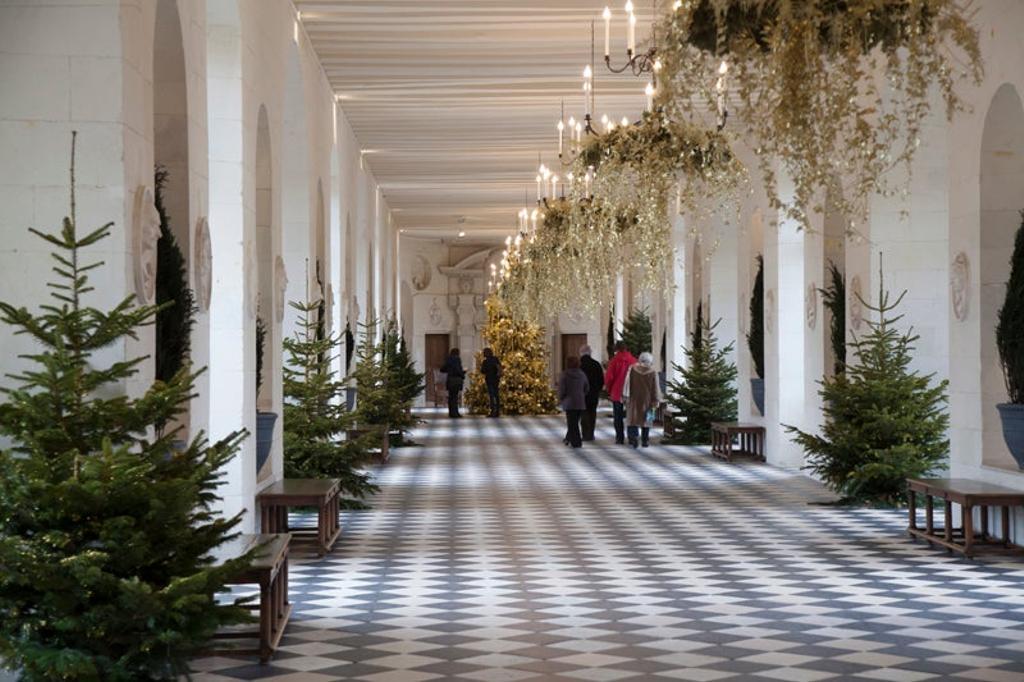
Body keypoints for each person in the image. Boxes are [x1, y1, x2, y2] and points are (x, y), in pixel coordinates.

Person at [622, 351, 662, 448]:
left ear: (640, 360)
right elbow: (656, 388)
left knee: (633, 419)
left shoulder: (632, 370)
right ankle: (645, 440)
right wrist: (656, 400)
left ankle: (634, 438)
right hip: (647, 400)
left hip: (633, 399)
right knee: (647, 421)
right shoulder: (653, 372)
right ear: (650, 361)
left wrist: (625, 397)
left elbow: (627, 384)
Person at [604, 340, 637, 445]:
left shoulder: (614, 361)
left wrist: (609, 390)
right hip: (631, 392)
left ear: (616, 349)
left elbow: (609, 377)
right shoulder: (633, 361)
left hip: (617, 392)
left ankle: (619, 438)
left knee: (617, 416)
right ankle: (632, 437)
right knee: (631, 415)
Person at [558, 356, 589, 449]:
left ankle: (576, 442)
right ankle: (569, 438)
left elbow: (562, 389)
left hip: (569, 401)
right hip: (580, 401)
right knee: (575, 422)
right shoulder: (582, 374)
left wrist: (561, 398)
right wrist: (582, 395)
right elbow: (587, 387)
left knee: (572, 423)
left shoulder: (565, 375)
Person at [579, 345, 604, 441]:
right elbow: (601, 380)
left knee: (583, 414)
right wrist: (598, 389)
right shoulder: (596, 364)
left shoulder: (579, 364)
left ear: (581, 353)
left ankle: (585, 434)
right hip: (593, 393)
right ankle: (591, 434)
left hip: (582, 394)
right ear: (590, 353)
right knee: (592, 414)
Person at [440, 348, 465, 418]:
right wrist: (463, 374)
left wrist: (449, 370)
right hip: (456, 379)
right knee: (455, 397)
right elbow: (458, 369)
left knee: (451, 397)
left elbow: (442, 369)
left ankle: (451, 412)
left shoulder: (448, 359)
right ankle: (455, 413)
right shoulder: (457, 359)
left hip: (450, 379)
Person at [480, 347, 502, 418]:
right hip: (496, 379)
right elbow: (499, 368)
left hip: (489, 379)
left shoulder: (485, 361)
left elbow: (482, 371)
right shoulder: (495, 359)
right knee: (496, 395)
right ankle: (497, 411)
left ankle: (493, 411)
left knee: (492, 396)